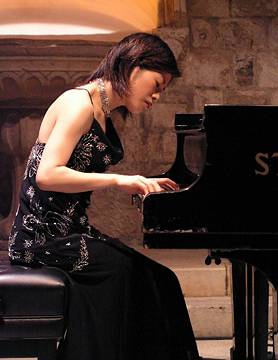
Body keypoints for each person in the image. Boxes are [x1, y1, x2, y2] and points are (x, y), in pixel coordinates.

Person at [8, 32, 201, 360]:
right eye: (157, 84)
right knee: (121, 272)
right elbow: (47, 175)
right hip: (40, 238)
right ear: (134, 69)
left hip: (70, 232)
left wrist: (142, 185)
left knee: (161, 278)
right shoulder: (78, 104)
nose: (157, 96)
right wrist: (118, 181)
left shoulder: (102, 111)